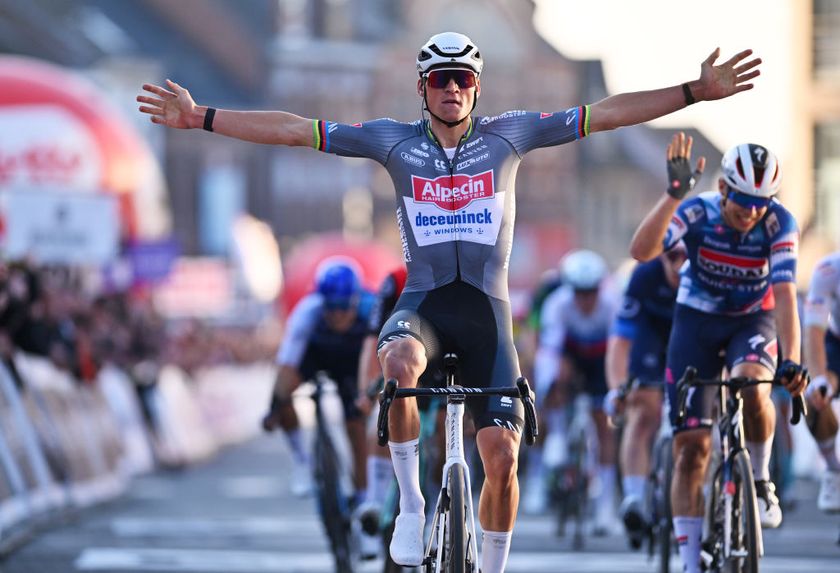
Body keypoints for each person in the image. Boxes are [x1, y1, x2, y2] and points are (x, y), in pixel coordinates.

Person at [138, 32, 761, 571]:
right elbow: (296, 131)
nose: (452, 90)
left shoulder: (511, 135)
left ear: (477, 88)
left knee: (502, 460)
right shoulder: (390, 141)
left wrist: (691, 92)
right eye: (441, 79)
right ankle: (410, 504)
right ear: (423, 87)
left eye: (463, 79)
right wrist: (203, 117)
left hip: (487, 316)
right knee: (398, 365)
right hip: (426, 305)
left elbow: (608, 114)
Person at [628, 133, 808, 573]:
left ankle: (761, 480)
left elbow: (785, 295)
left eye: (761, 201)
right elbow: (642, 251)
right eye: (743, 200)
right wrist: (673, 195)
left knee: (752, 385)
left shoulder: (778, 223)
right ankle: (691, 562)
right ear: (723, 189)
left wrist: (791, 359)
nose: (751, 211)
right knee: (691, 449)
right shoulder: (698, 211)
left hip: (753, 318)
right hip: (697, 321)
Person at [262, 260, 374, 507]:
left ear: (356, 300)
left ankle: (364, 496)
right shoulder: (308, 310)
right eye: (331, 307)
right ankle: (302, 462)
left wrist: (369, 395)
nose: (336, 315)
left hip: (354, 363)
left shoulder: (372, 307)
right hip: (317, 355)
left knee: (355, 423)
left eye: (343, 307)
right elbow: (287, 363)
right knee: (284, 394)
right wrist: (274, 407)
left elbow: (379, 360)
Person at [604, 242, 687, 548]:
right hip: (651, 337)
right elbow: (620, 342)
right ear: (662, 255)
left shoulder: (704, 273)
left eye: (687, 256)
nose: (679, 264)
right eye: (672, 256)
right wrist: (617, 389)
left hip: (692, 335)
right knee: (643, 411)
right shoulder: (644, 276)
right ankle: (635, 498)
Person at [531, 249, 618, 533]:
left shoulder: (612, 303)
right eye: (579, 292)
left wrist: (616, 386)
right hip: (570, 356)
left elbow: (618, 350)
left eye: (590, 291)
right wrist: (549, 386)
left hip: (601, 359)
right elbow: (549, 352)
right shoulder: (557, 304)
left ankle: (605, 506)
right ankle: (557, 435)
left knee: (604, 424)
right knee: (556, 372)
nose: (585, 298)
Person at [802, 251, 840, 513]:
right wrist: (818, 381)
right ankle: (832, 470)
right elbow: (813, 332)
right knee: (815, 395)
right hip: (835, 346)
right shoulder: (828, 269)